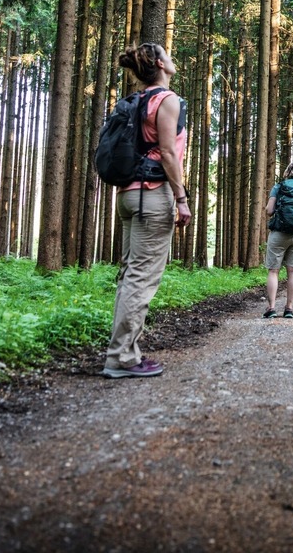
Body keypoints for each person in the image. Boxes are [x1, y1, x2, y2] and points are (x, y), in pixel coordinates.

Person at [101, 43, 192, 378]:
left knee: (130, 275)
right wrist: (181, 199)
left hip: (128, 195)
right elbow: (168, 153)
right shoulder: (166, 100)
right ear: (159, 64)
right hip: (153, 196)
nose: (173, 59)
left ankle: (125, 351)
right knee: (141, 278)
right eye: (169, 55)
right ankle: (121, 357)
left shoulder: (134, 100)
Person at [263, 162, 293, 319]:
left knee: (273, 271)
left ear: (287, 172)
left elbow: (269, 211)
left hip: (279, 233)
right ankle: (289, 308)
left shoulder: (279, 187)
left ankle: (271, 308)